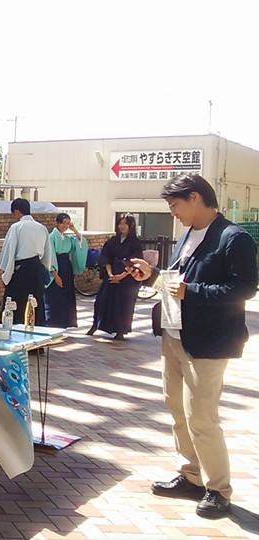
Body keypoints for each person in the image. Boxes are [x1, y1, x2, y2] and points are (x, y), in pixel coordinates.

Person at [128, 174, 257, 519]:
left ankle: (218, 489)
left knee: (201, 417)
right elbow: (177, 281)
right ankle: (192, 476)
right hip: (174, 334)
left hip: (208, 342)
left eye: (175, 205)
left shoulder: (233, 238)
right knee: (176, 409)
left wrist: (193, 292)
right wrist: (152, 275)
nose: (173, 213)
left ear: (196, 197)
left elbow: (244, 288)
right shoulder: (187, 234)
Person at [0, 198, 56, 325]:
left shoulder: (16, 227)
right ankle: (37, 329)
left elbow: (9, 251)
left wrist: (6, 273)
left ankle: (15, 330)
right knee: (36, 304)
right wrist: (45, 272)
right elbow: (47, 254)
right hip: (37, 269)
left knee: (17, 305)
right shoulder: (42, 228)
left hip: (21, 272)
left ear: (17, 211)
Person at [87, 215, 143, 340]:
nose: (122, 226)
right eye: (120, 223)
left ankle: (120, 331)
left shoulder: (135, 243)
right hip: (111, 275)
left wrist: (122, 276)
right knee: (101, 301)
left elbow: (135, 261)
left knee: (123, 305)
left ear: (131, 226)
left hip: (127, 278)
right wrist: (111, 274)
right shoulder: (112, 240)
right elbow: (105, 257)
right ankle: (96, 324)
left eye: (125, 224)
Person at [44, 214, 88, 328]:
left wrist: (74, 230)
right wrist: (55, 275)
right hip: (56, 267)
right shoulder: (51, 237)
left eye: (68, 223)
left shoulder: (68, 238)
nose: (65, 226)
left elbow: (80, 242)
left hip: (66, 267)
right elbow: (50, 257)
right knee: (55, 296)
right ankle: (54, 322)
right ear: (57, 223)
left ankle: (66, 321)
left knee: (67, 296)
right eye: (63, 223)